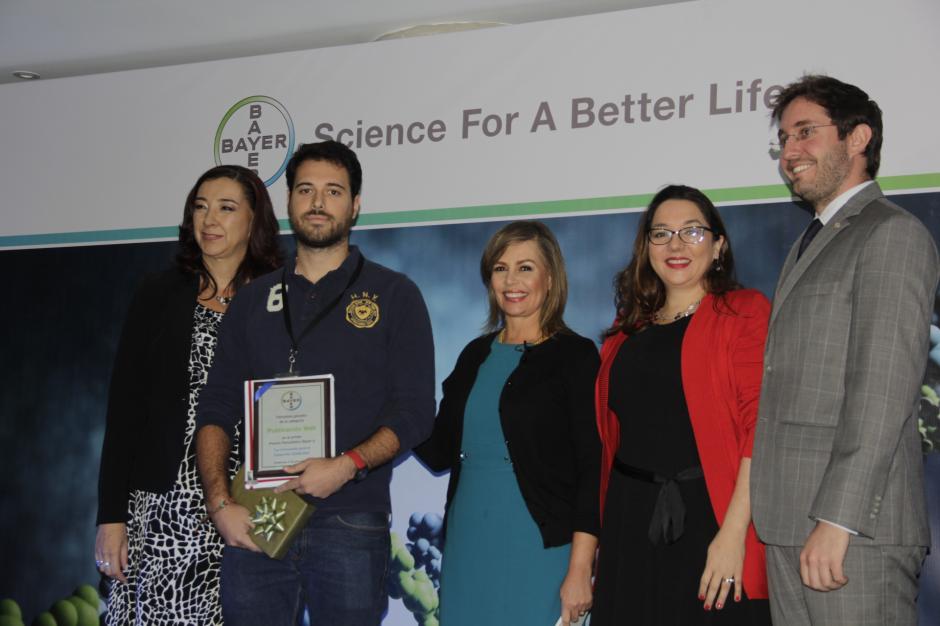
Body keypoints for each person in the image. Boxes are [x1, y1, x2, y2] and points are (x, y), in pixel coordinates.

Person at [195, 140, 435, 626]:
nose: (318, 203)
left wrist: (346, 466)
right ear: (289, 203)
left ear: (356, 204)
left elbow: (414, 412)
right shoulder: (252, 301)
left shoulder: (395, 295)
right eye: (305, 190)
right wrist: (219, 504)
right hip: (258, 516)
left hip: (351, 517)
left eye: (333, 191)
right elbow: (216, 407)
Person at [750, 75, 939, 625]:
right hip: (790, 524)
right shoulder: (816, 236)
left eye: (805, 132)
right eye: (782, 140)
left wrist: (839, 520)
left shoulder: (892, 234)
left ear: (858, 139)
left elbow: (883, 389)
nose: (789, 152)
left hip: (851, 533)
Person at [95, 164, 283, 625]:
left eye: (225, 208)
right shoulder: (158, 294)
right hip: (160, 504)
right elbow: (124, 412)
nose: (209, 220)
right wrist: (111, 517)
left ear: (254, 220)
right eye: (199, 207)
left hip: (244, 501)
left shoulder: (281, 299)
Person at [592, 185, 772, 625]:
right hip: (628, 525)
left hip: (711, 523)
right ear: (646, 247)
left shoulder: (744, 312)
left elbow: (761, 428)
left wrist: (734, 535)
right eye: (661, 233)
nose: (675, 244)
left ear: (718, 245)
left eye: (692, 232)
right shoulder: (625, 329)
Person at [415, 220, 600, 626]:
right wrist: (394, 405)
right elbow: (438, 449)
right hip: (468, 541)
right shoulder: (474, 355)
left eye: (525, 267)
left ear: (550, 278)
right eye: (500, 268)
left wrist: (580, 568)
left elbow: (592, 469)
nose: (511, 280)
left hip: (539, 546)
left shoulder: (576, 356)